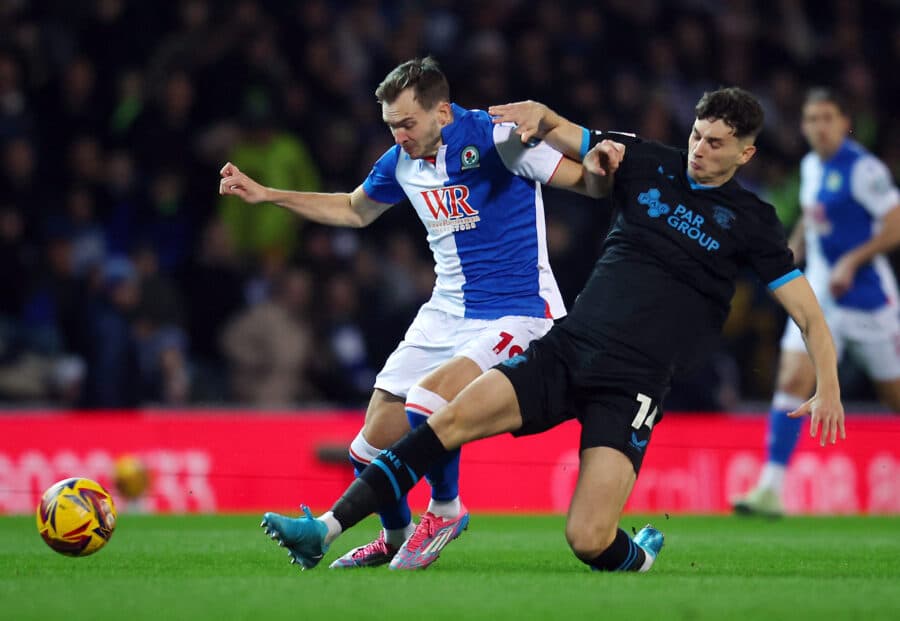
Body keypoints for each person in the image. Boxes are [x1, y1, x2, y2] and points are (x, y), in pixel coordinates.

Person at [258, 87, 846, 573]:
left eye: (716, 144)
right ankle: (326, 527)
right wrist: (543, 117)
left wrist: (830, 386)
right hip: (568, 348)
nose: (699, 150)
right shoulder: (648, 162)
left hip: (633, 384)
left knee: (589, 538)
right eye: (696, 134)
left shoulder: (753, 223)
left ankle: (637, 558)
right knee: (442, 417)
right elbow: (573, 137)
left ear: (745, 155)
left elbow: (809, 314)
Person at [220, 57, 596, 570]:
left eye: (407, 123)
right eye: (391, 125)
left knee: (427, 403)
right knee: (367, 447)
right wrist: (268, 195)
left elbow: (586, 182)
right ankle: (394, 536)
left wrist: (610, 156)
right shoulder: (402, 161)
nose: (399, 135)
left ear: (442, 111)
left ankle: (445, 509)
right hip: (446, 311)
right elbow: (353, 209)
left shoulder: (499, 138)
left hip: (518, 311)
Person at [732, 88, 900, 517]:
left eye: (827, 117)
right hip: (821, 294)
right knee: (791, 378)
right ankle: (770, 488)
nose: (818, 127)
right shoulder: (810, 166)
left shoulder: (865, 170)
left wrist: (851, 260)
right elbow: (812, 213)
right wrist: (794, 249)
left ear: (844, 121)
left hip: (868, 302)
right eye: (811, 119)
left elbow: (894, 226)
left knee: (892, 393)